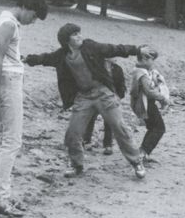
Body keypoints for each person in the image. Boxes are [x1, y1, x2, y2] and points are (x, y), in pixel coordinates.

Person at [25, 23, 146, 179]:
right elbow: (45, 58)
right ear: (66, 40)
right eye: (75, 34)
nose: (79, 36)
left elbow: (113, 49)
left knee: (119, 127)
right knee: (73, 133)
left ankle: (136, 162)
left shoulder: (90, 46)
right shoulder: (62, 54)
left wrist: (136, 50)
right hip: (84, 97)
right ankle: (76, 165)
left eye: (79, 33)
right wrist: (28, 59)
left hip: (103, 93)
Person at [0, 0, 48, 217]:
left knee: (4, 140)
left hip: (6, 80)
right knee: (12, 141)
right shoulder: (8, 24)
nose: (32, 21)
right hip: (9, 80)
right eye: (34, 16)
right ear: (26, 6)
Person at [130, 46, 170, 164]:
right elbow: (149, 91)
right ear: (145, 59)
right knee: (159, 128)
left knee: (153, 128)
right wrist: (163, 98)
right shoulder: (141, 72)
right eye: (152, 60)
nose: (153, 63)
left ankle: (143, 152)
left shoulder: (142, 71)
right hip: (145, 104)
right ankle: (143, 153)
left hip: (146, 103)